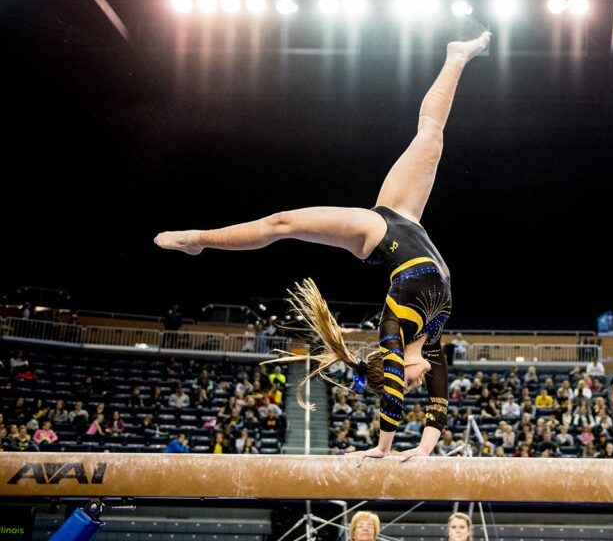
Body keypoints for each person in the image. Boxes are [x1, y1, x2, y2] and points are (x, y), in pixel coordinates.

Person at [155, 32, 492, 462]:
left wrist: (382, 447)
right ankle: (457, 57)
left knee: (284, 223)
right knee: (431, 134)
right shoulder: (429, 342)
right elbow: (439, 402)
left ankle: (198, 241)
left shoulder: (393, 332)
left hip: (376, 232)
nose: (416, 384)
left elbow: (390, 388)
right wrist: (424, 451)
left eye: (407, 384)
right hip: (406, 218)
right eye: (412, 386)